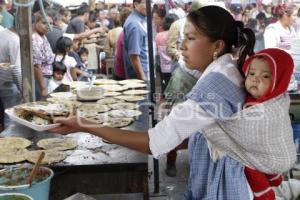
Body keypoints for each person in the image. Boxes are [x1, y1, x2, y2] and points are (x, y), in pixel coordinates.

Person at [51, 5, 256, 199]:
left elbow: (155, 142)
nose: (182, 46)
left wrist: (84, 124)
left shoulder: (214, 85)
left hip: (223, 187)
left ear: (218, 45)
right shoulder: (226, 68)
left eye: (191, 38)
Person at [202, 48, 297, 200]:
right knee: (252, 160)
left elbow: (244, 132)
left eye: (265, 76)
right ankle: (274, 182)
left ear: (280, 80)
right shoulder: (245, 98)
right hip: (263, 157)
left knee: (248, 165)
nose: (255, 79)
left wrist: (214, 124)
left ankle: (265, 195)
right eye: (252, 74)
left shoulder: (273, 107)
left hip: (275, 156)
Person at [123, 0, 148, 80]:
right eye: (146, 2)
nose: (150, 5)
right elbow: (134, 56)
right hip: (141, 75)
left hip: (146, 70)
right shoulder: (134, 24)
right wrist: (143, 78)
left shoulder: (142, 20)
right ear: (136, 4)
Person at [32, 12, 55, 100]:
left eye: (50, 23)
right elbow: (36, 66)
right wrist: (43, 88)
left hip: (46, 78)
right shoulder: (35, 39)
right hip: (40, 79)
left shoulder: (42, 36)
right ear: (35, 23)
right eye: (44, 23)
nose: (48, 26)